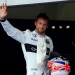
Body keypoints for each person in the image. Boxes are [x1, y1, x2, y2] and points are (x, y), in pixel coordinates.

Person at [0, 3, 53, 75]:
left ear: (47, 26)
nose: (42, 26)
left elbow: (50, 60)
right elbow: (12, 31)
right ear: (35, 23)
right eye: (40, 23)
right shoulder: (27, 35)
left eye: (44, 24)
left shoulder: (49, 40)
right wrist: (2, 19)